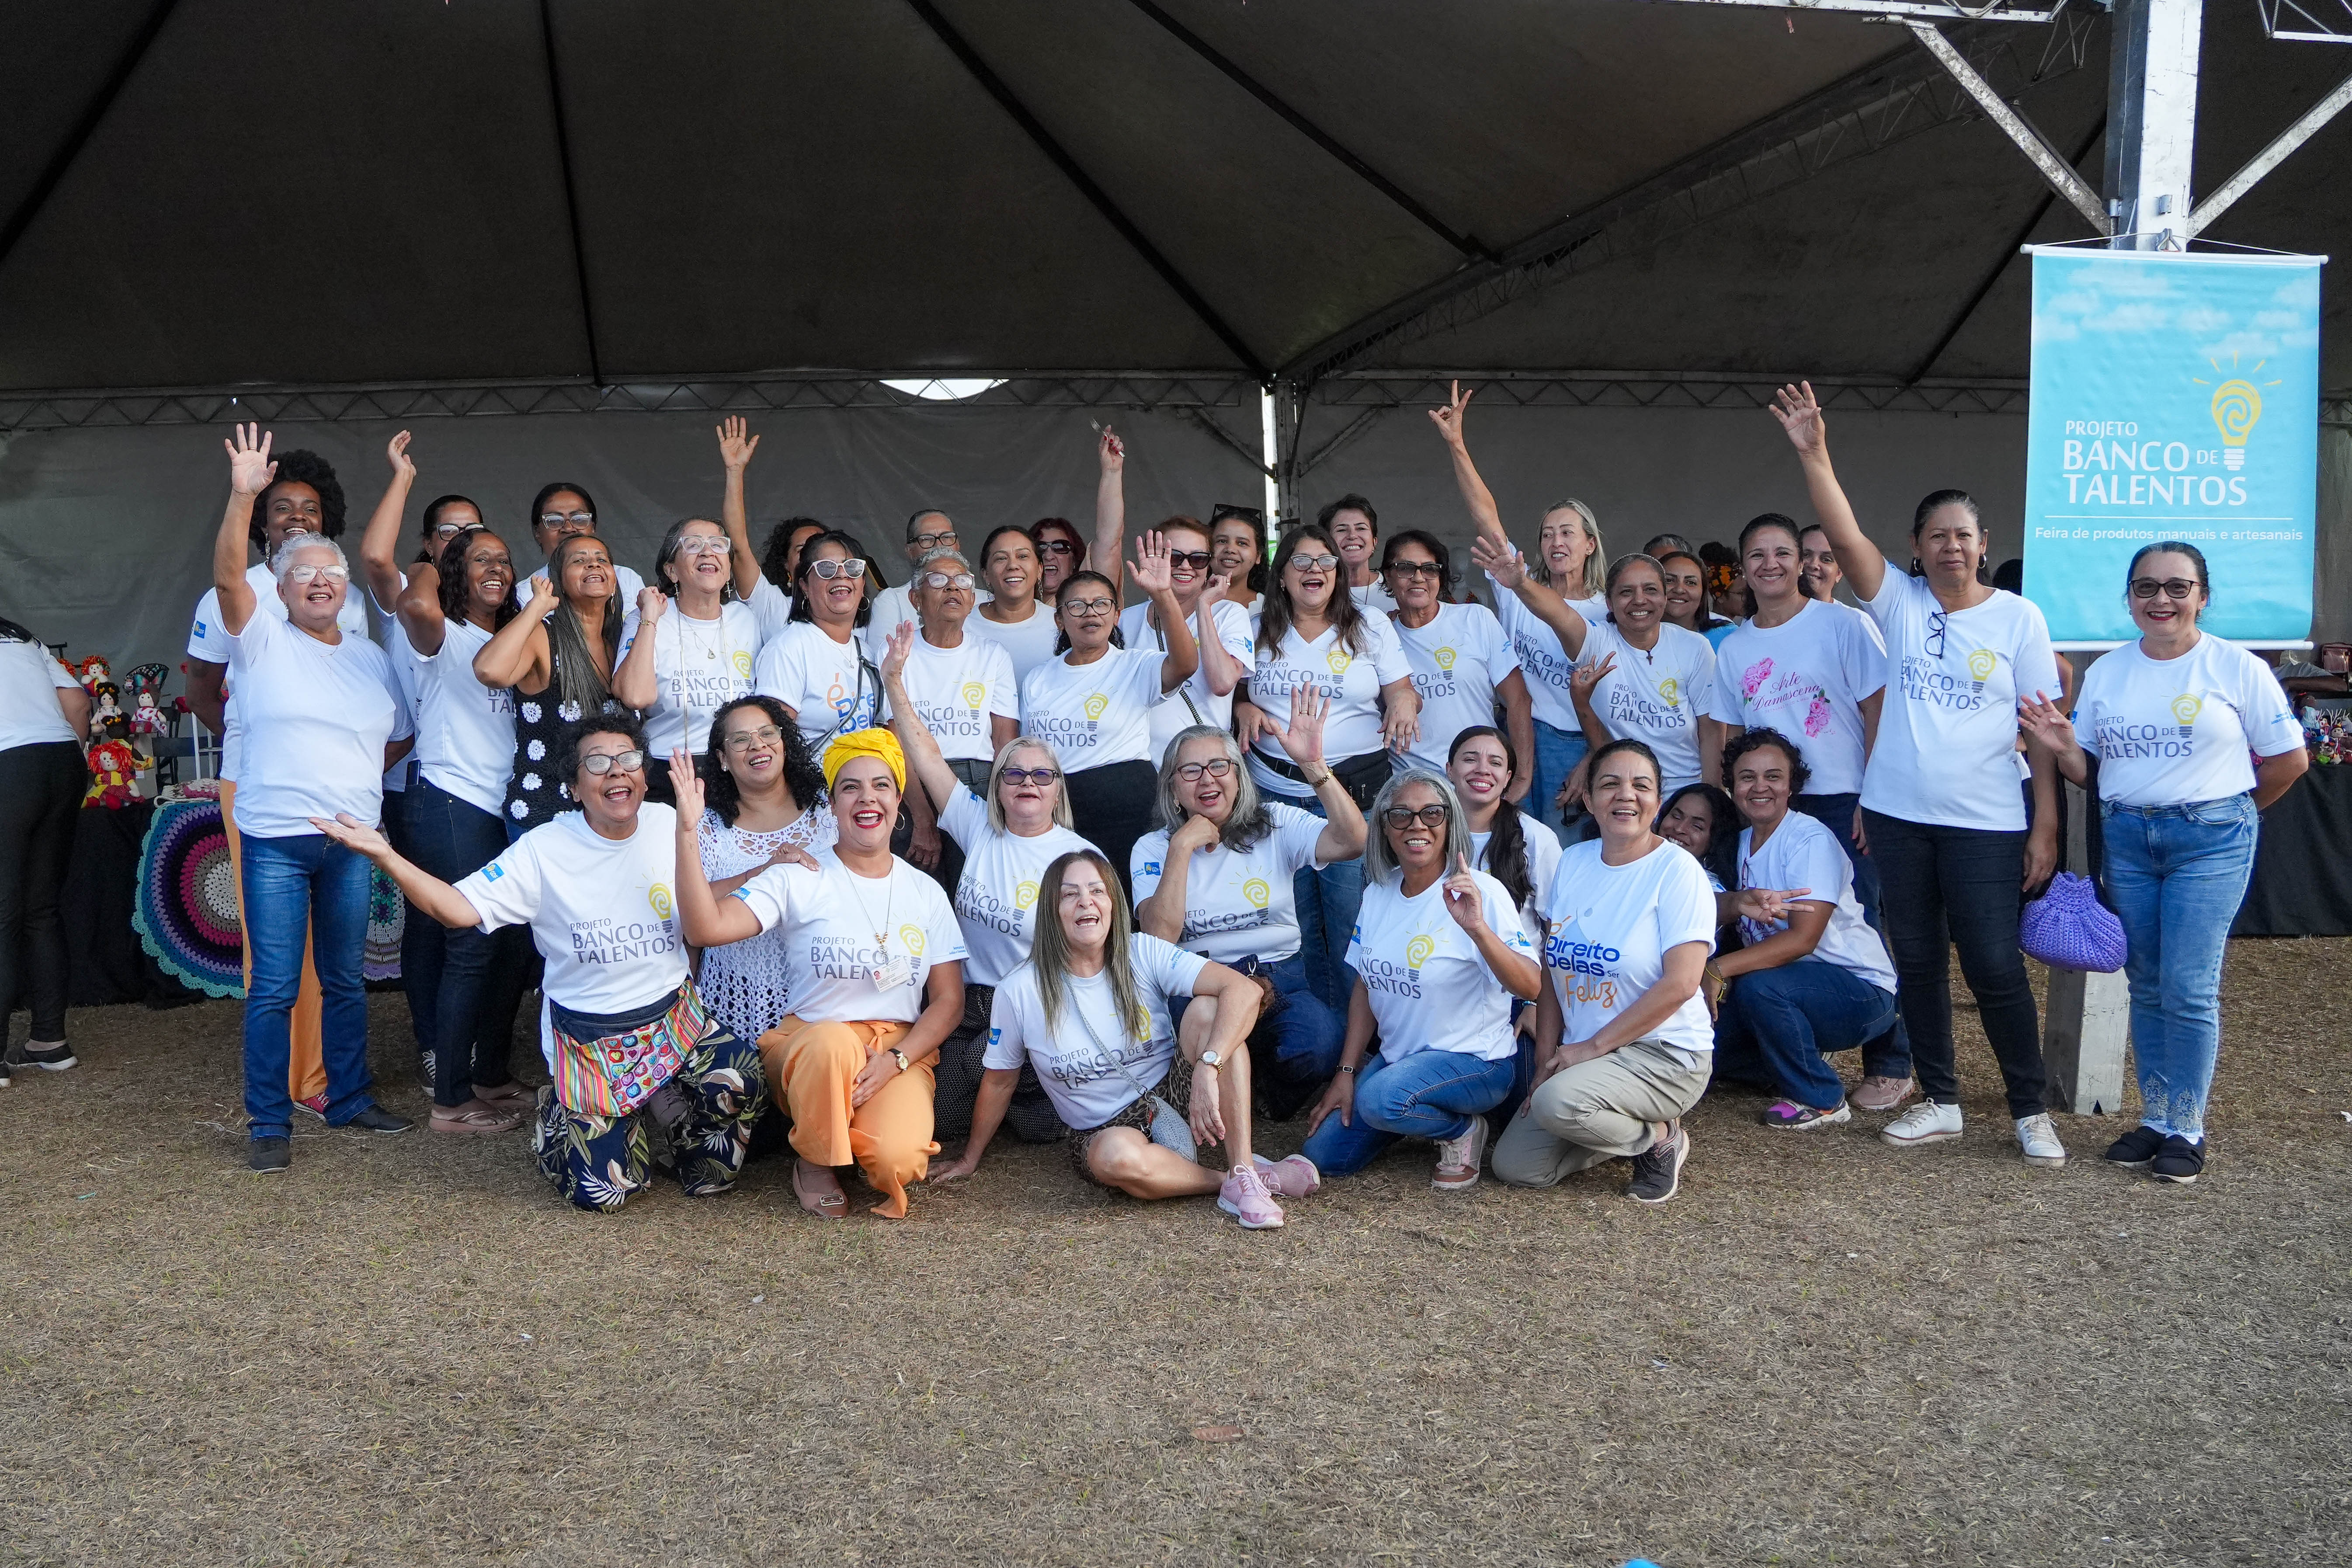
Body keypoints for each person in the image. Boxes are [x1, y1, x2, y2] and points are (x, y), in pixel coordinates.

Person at [1772, 379, 2066, 1165]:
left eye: (1962, 535)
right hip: (1899, 815)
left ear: (1982, 541)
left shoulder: (2019, 619)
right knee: (1920, 962)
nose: (1949, 546)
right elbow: (1841, 529)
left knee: (1995, 965)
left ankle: (2029, 1108)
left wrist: (2045, 826)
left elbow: (2041, 735)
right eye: (1935, 535)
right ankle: (1940, 1099)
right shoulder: (1898, 603)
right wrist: (1814, 451)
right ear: (1915, 547)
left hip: (1987, 821)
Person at [320, 714, 765, 1210]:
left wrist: (767, 867)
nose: (616, 771)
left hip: (674, 1017)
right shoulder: (543, 849)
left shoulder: (669, 821)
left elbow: (697, 902)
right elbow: (456, 909)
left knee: (740, 1075)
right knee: (607, 1191)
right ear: (574, 788)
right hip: (592, 1035)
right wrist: (384, 854)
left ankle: (684, 1149)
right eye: (597, 763)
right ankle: (562, 1118)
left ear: (643, 774)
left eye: (628, 759)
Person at [2018, 543, 2308, 1185]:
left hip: (2209, 839)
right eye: (2146, 588)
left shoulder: (2236, 667)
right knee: (2145, 983)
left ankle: (2188, 1126)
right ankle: (2158, 1115)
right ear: (2128, 598)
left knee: (2188, 986)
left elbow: (2289, 760)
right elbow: (2090, 771)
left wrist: (2236, 815)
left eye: (2178, 587)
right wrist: (2064, 748)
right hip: (2127, 838)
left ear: (2203, 596)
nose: (2162, 600)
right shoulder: (2111, 672)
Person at [210, 426, 415, 1172]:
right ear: (282, 585)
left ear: (344, 588)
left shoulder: (368, 656)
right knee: (271, 989)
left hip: (351, 843)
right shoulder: (258, 637)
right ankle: (268, 1120)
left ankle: (351, 1096)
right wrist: (243, 495)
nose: (321, 582)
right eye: (304, 576)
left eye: (331, 574)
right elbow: (230, 574)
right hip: (275, 840)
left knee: (345, 981)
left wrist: (352, 786)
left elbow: (396, 736)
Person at [930, 849, 1313, 1228]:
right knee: (1115, 1158)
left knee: (1208, 1012)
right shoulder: (1017, 990)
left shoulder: (1142, 950)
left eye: (1097, 891)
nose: (1086, 902)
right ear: (1051, 910)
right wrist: (970, 1157)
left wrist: (1208, 1068)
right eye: (1069, 894)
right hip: (1102, 1129)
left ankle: (1243, 1166)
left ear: (1113, 902)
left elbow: (1244, 991)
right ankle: (1236, 1182)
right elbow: (1000, 1079)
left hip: (1171, 1092)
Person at [671, 730, 966, 1220]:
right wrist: (687, 832)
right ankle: (814, 1159)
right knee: (832, 1044)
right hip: (810, 1043)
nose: (866, 797)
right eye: (850, 787)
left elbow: (948, 1001)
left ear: (898, 801)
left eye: (880, 785)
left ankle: (841, 1125)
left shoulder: (925, 892)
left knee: (898, 1161)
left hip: (893, 1047)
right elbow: (704, 928)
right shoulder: (800, 873)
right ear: (831, 804)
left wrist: (895, 1059)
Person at [184, 439, 371, 1117]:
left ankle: (321, 1082)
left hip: (338, 801)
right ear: (262, 517)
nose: (297, 517)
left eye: (311, 508)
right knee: (277, 959)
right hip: (262, 791)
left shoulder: (342, 591)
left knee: (336, 962)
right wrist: (253, 743)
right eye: (282, 506)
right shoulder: (241, 591)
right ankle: (285, 1093)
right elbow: (204, 688)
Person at [358, 434, 534, 1134]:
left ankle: (488, 1075)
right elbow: (394, 579)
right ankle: (451, 1098)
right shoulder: (440, 635)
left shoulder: (519, 634)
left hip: (501, 806)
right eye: (474, 557)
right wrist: (429, 561)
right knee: (470, 941)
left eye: (501, 557)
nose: (493, 567)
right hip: (449, 801)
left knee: (511, 941)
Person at [880, 624, 1098, 1142]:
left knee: (1045, 1125)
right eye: (1014, 773)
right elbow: (927, 755)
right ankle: (1004, 1090)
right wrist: (894, 683)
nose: (1027, 782)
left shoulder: (1077, 858)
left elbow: (1093, 959)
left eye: (1041, 775)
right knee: (940, 1120)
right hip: (971, 1005)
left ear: (1056, 789)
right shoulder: (977, 823)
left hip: (1038, 1007)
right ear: (996, 786)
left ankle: (1024, 1088)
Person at [1494, 739, 1716, 1203]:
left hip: (1665, 1054)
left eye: (1641, 785)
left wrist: (1586, 1049)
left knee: (1560, 1103)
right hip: (1590, 1056)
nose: (1625, 795)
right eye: (1610, 784)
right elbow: (1553, 968)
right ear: (1589, 798)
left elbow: (1680, 983)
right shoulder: (1574, 862)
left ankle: (1658, 1139)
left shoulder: (1677, 871)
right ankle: (1605, 1120)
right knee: (1517, 1166)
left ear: (1657, 799)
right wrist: (1544, 1063)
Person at [1300, 769, 1542, 1187]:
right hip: (1401, 1061)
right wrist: (1345, 1071)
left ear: (1450, 823)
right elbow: (1365, 984)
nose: (1417, 826)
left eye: (1432, 814)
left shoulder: (1482, 891)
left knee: (1380, 1100)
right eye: (1401, 815)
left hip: (1476, 1063)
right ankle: (1408, 1110)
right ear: (1384, 828)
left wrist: (1478, 929)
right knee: (1324, 1156)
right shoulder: (1379, 890)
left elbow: (1532, 986)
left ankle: (1459, 1130)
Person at [1133, 708, 1363, 1118]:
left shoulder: (1275, 823)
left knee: (1321, 1044)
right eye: (1190, 771)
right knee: (1209, 1023)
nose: (1207, 779)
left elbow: (1352, 842)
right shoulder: (1154, 847)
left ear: (1238, 776)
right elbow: (1158, 937)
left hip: (1281, 976)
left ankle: (1261, 1086)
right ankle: (1224, 1076)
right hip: (1200, 983)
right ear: (1171, 789)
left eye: (1219, 766)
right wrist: (1181, 848)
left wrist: (1312, 766)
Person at [1233, 523, 1419, 1011]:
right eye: (1300, 560)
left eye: (1325, 561)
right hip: (1273, 796)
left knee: (1348, 920)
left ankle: (1352, 1048)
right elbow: (1223, 685)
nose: (1313, 569)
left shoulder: (1368, 625)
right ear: (1280, 574)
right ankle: (1311, 1038)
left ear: (1338, 572)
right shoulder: (1255, 629)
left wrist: (1402, 704)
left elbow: (1401, 688)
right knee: (1291, 925)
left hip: (1350, 797)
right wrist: (1241, 706)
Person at [1429, 381, 1607, 841]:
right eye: (1547, 533)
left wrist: (1593, 756)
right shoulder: (1515, 584)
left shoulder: (1608, 609)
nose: (1556, 542)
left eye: (1567, 533)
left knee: (1565, 854)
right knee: (1511, 849)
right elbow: (1486, 517)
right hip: (1518, 738)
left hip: (1578, 744)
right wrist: (1457, 446)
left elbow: (1621, 700)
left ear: (1590, 543)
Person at [1704, 730, 1901, 1129]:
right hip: (1792, 988)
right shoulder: (1737, 843)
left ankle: (1822, 1098)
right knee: (1709, 1054)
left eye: (1773, 776)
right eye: (1747, 777)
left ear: (1792, 785)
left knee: (1763, 985)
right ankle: (1794, 1057)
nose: (1760, 787)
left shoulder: (1808, 838)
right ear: (1731, 785)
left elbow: (1802, 939)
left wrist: (1717, 969)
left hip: (1860, 990)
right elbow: (1710, 906)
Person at [1018, 543, 1197, 897]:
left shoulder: (1135, 664)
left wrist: (1162, 595)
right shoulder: (1037, 678)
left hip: (1127, 805)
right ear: (1059, 618)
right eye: (1077, 605)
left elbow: (1186, 663)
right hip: (1060, 810)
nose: (1091, 613)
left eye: (1102, 604)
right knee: (1069, 905)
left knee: (1130, 906)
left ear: (1116, 615)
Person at [1483, 544, 1722, 800]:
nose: (1639, 600)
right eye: (1626, 592)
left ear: (1665, 597)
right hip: (1625, 794)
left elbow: (1711, 731)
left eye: (1651, 590)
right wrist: (1521, 585)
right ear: (1609, 602)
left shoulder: (1695, 647)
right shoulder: (1597, 642)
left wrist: (1709, 797)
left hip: (1684, 792)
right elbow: (1557, 613)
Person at [691, 695, 836, 1050]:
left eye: (767, 733)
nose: (757, 744)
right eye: (740, 739)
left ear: (784, 741)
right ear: (723, 760)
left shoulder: (829, 809)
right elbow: (691, 910)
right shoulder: (704, 826)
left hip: (821, 989)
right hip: (730, 993)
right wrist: (765, 871)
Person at [474, 532, 630, 835]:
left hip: (607, 819)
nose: (593, 565)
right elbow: (487, 670)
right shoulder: (544, 636)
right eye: (579, 561)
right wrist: (537, 607)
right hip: (545, 819)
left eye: (602, 560)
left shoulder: (620, 640)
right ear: (558, 579)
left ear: (614, 579)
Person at [884, 548, 1020, 883]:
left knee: (980, 894)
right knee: (921, 896)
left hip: (979, 785)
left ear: (972, 598)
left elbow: (1004, 741)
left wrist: (1006, 808)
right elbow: (897, 741)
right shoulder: (899, 653)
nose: (951, 588)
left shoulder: (992, 655)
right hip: (916, 787)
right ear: (916, 598)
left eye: (961, 581)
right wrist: (922, 817)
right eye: (938, 580)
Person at [0, 615, 89, 1088]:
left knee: (4, 912)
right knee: (40, 908)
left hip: (9, 763)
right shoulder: (19, 634)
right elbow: (77, 700)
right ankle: (49, 1040)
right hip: (59, 759)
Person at [1382, 531, 1532, 783]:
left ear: (1441, 577)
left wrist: (1522, 778)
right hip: (1412, 785)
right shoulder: (1379, 636)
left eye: (1430, 569)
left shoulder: (1476, 619)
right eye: (1406, 568)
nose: (1419, 578)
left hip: (1477, 780)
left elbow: (1518, 699)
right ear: (1388, 575)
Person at [1117, 514, 1253, 766]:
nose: (1186, 567)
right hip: (1141, 765)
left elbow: (1222, 683)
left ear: (1209, 565)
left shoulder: (1230, 614)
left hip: (1204, 769)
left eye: (1198, 559)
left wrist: (1204, 606)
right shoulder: (1125, 620)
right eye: (1174, 557)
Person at [752, 530, 883, 758]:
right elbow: (773, 744)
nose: (841, 576)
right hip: (815, 791)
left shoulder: (867, 652)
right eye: (826, 568)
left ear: (863, 584)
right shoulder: (788, 649)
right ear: (804, 586)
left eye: (852, 568)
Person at [1446, 726, 1560, 938]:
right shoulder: (1427, 829)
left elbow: (1555, 925)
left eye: (1495, 763)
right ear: (1450, 770)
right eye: (1470, 760)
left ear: (1508, 778)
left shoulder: (1535, 836)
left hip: (1515, 965)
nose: (1483, 769)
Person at [513, 481, 646, 607]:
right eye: (554, 521)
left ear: (593, 527)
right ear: (538, 533)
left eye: (579, 519)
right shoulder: (525, 594)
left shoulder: (627, 579)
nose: (569, 528)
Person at [972, 524, 1061, 682]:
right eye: (1001, 558)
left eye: (1023, 556)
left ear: (1040, 569)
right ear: (986, 574)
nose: (1013, 565)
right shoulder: (963, 626)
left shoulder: (1060, 624)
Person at [1655, 781, 1739, 891]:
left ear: (1715, 840)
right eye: (1676, 817)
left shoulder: (1705, 887)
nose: (1680, 829)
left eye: (1697, 826)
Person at [1321, 493, 1397, 614]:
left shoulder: (1396, 588)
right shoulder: (1318, 590)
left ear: (1374, 541)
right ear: (1327, 543)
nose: (1352, 536)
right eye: (1342, 530)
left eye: (1361, 529)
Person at [1208, 503, 1270, 629]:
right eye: (1222, 541)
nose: (1230, 549)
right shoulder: (1188, 600)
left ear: (1258, 556)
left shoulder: (1268, 608)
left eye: (1242, 543)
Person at [1657, 549, 1734, 645]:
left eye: (1691, 583)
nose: (1680, 590)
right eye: (1669, 580)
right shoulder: (1636, 637)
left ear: (1703, 593)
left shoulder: (1730, 637)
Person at [1800, 523, 1847, 603]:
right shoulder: (1772, 613)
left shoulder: (1852, 616)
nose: (1814, 565)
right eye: (1806, 555)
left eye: (1826, 559)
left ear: (1839, 573)